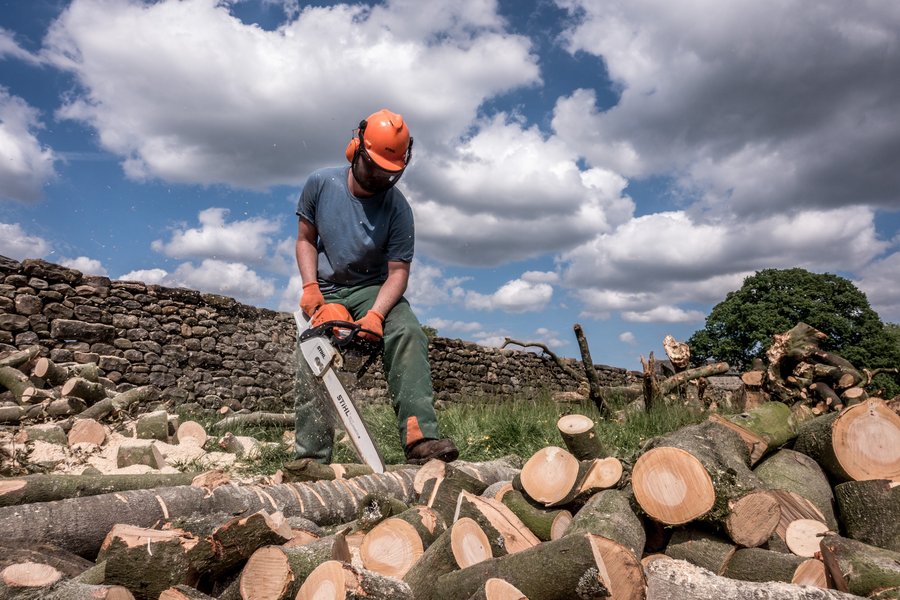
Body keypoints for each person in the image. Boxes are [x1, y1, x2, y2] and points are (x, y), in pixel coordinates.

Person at [293, 108, 459, 465]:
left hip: (373, 288)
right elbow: (306, 239)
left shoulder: (399, 210)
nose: (381, 179)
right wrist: (310, 288)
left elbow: (398, 272)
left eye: (389, 174)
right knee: (311, 352)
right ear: (356, 150)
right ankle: (311, 457)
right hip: (329, 288)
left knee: (408, 331)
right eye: (375, 169)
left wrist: (377, 315)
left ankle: (420, 437)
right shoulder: (321, 184)